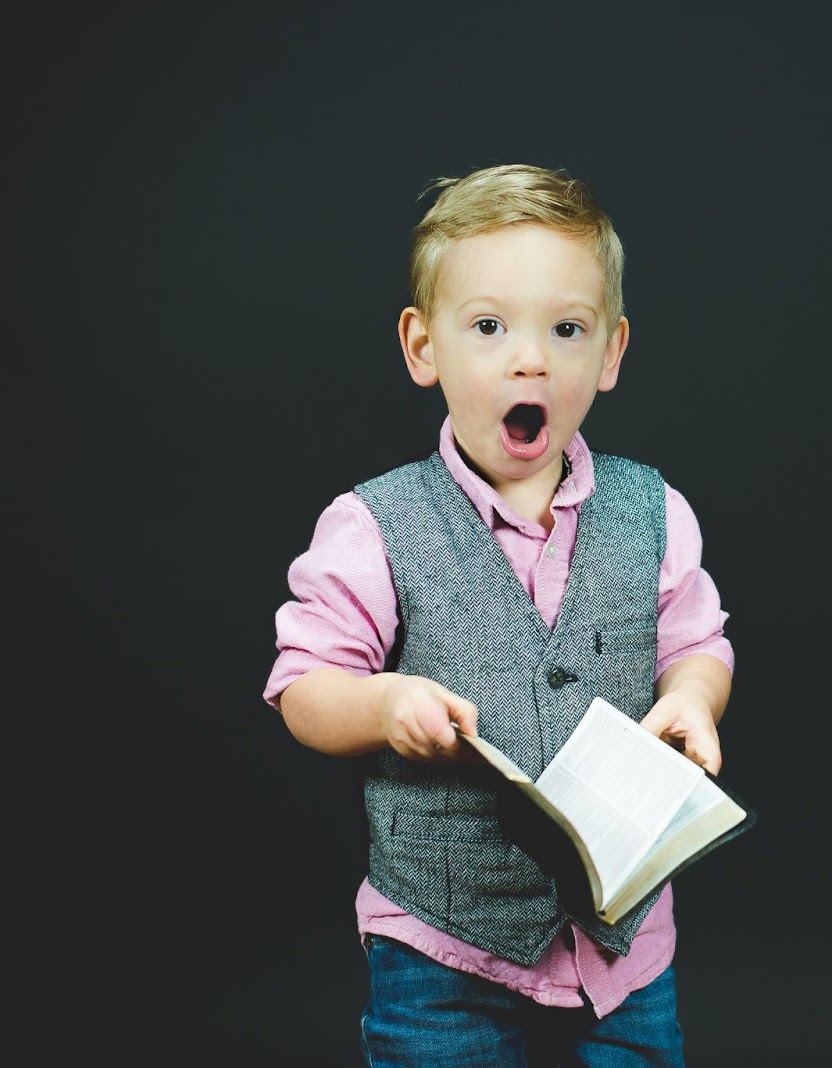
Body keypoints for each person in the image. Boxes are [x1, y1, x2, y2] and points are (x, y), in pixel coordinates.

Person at [263, 162, 735, 1067]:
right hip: (442, 948)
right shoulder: (375, 525)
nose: (532, 359)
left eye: (566, 329)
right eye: (488, 327)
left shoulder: (655, 510)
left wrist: (694, 699)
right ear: (422, 347)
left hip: (622, 951)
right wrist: (381, 704)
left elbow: (697, 642)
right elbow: (301, 688)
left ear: (611, 354)